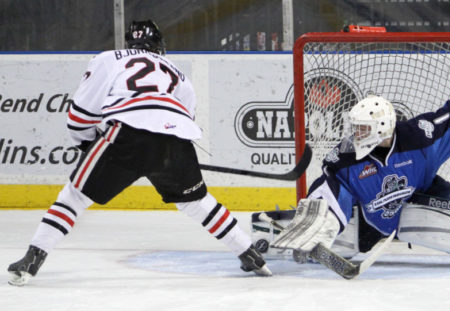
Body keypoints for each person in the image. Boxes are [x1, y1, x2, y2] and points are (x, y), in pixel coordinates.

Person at [7, 20, 271, 286]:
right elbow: (185, 117)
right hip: (175, 138)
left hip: (127, 134)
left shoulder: (109, 59)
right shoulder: (178, 73)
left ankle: (33, 259)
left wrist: (86, 143)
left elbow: (81, 113)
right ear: (159, 45)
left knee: (74, 196)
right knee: (196, 201)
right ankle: (249, 254)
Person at [268, 65, 450, 269]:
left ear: (382, 129)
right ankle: (279, 229)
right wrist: (315, 224)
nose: (354, 134)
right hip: (372, 226)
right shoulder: (346, 160)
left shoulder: (419, 138)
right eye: (355, 127)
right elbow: (329, 191)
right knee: (346, 226)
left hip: (422, 200)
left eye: (362, 128)